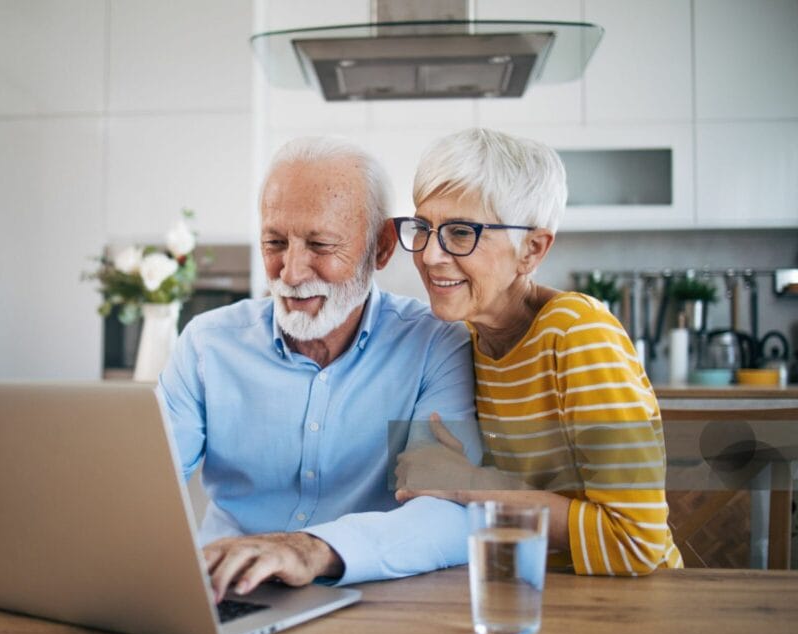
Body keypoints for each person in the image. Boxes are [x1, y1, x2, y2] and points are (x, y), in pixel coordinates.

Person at [159, 136, 477, 602]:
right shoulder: (207, 344)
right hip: (221, 594)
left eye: (320, 244)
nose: (289, 272)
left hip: (372, 602)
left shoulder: (435, 345)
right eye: (275, 242)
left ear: (382, 247)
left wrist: (314, 550)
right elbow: (139, 483)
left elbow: (449, 513)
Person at [393, 128, 682, 575]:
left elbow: (636, 542)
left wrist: (467, 483)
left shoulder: (578, 335)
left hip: (631, 603)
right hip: (529, 594)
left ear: (531, 250)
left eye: (461, 232)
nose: (430, 255)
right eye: (425, 228)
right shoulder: (464, 339)